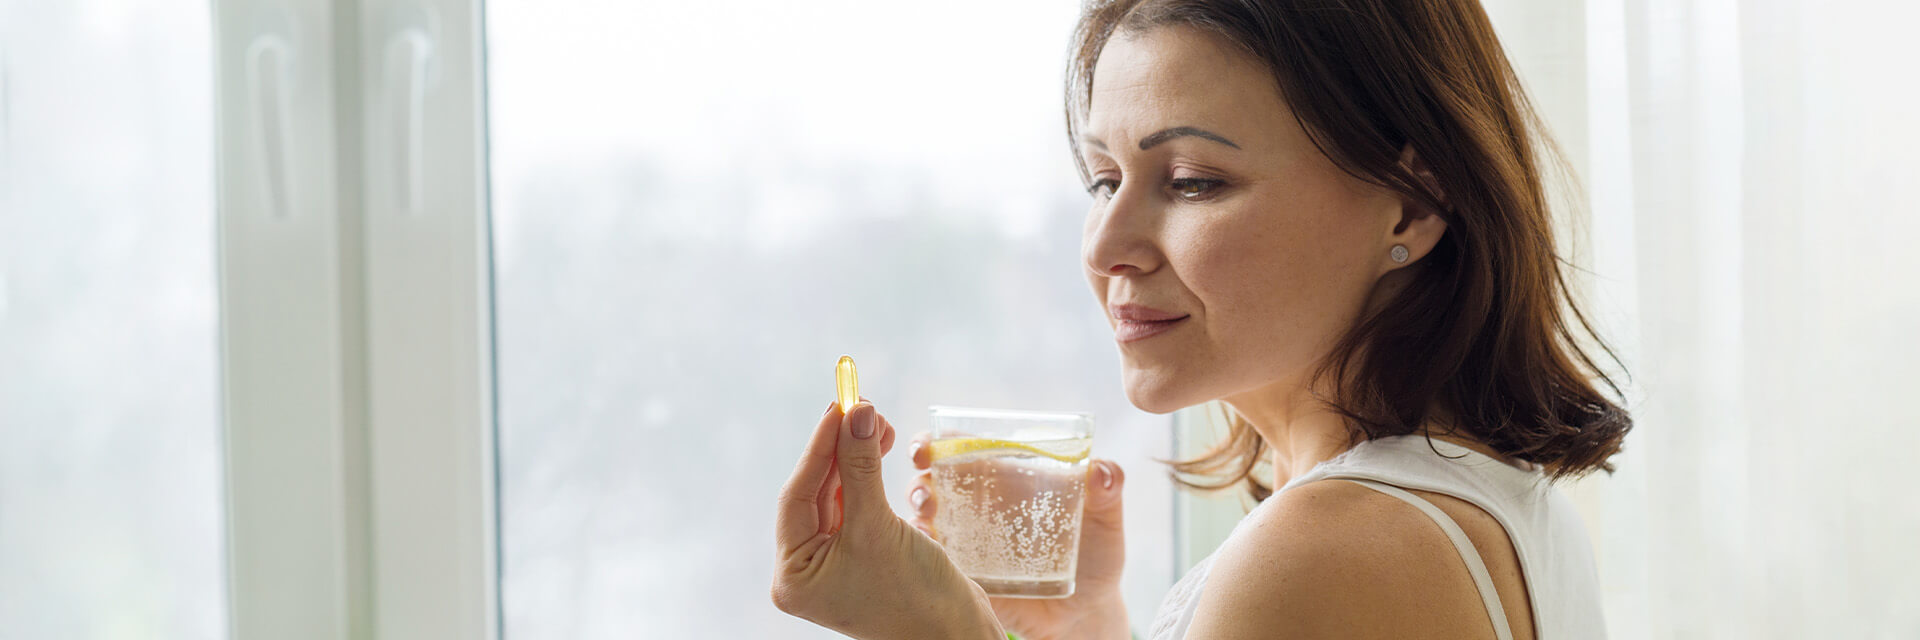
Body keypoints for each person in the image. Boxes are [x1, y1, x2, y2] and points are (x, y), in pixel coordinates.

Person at [771, 1, 1630, 638]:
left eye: (1191, 182)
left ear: (1410, 207)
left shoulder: (1328, 552)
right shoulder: (1488, 501)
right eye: (1103, 179)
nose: (1107, 244)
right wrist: (1088, 627)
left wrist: (935, 629)